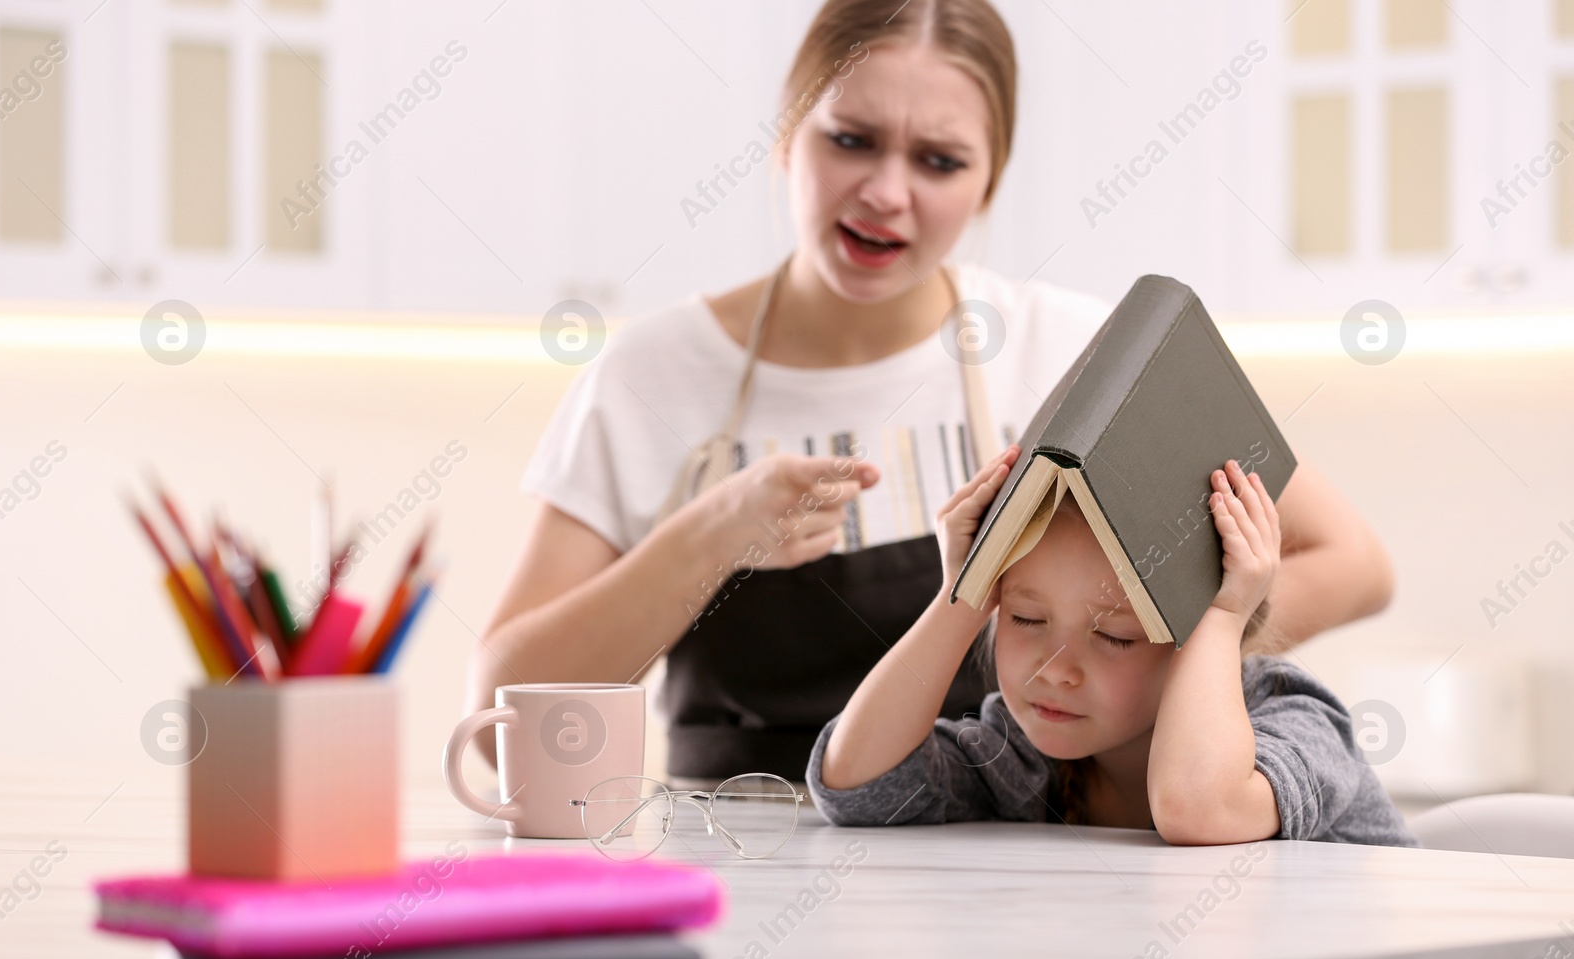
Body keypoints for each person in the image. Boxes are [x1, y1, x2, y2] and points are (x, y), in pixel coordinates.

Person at [466, 0, 1394, 784]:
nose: (885, 191)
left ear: (989, 183)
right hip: (733, 863)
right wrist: (707, 537)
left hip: (1006, 865)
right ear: (788, 140)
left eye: (939, 161)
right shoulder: (649, 376)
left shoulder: (1077, 352)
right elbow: (504, 720)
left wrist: (1159, 654)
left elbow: (1351, 558)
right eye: (851, 140)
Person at [809, 448, 1417, 847]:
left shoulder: (1297, 722)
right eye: (1023, 618)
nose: (1054, 670)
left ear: (1201, 640)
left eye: (1114, 636)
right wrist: (960, 596)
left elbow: (1199, 811)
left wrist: (1223, 611)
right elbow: (860, 786)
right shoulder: (1025, 755)